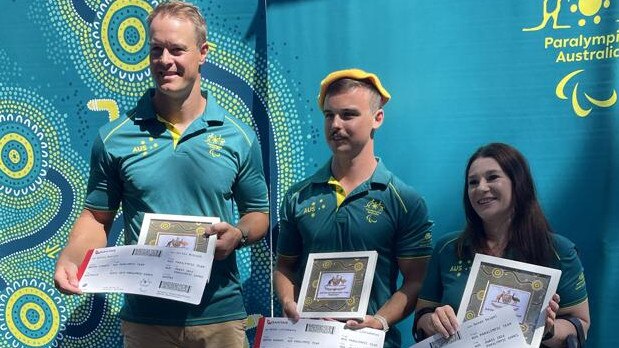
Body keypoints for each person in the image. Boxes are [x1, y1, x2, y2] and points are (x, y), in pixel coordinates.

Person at [53, 1, 269, 347]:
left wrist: (239, 235)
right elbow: (97, 217)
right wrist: (71, 256)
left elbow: (259, 214)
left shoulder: (238, 136)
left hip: (219, 318)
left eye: (177, 49)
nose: (165, 60)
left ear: (202, 53)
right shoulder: (115, 138)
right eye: (156, 49)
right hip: (146, 323)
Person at [274, 68, 433, 348]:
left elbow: (416, 281)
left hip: (372, 342)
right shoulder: (298, 196)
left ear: (377, 118)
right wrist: (288, 301)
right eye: (328, 115)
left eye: (348, 115)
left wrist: (380, 320)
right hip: (309, 340)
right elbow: (285, 267)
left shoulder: (404, 200)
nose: (335, 124)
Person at [413, 143, 589, 347]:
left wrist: (547, 330)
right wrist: (434, 321)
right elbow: (421, 318)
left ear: (518, 182)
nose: (481, 188)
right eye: (472, 182)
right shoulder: (447, 248)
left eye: (492, 177)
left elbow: (580, 323)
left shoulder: (559, 250)